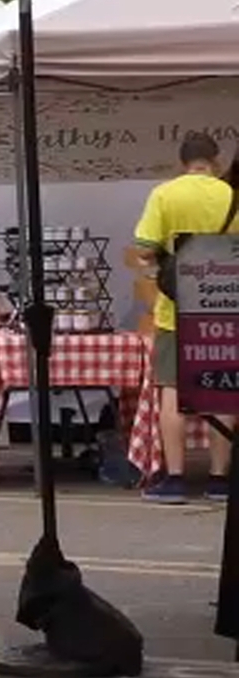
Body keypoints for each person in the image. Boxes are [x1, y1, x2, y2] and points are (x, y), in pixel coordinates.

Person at [133, 131, 238, 503]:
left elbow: (144, 248)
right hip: (226, 308)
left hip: (177, 312)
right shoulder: (232, 194)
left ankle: (175, 479)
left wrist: (161, 257)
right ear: (216, 161)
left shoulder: (165, 194)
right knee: (224, 391)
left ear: (183, 163)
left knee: (172, 390)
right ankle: (219, 480)